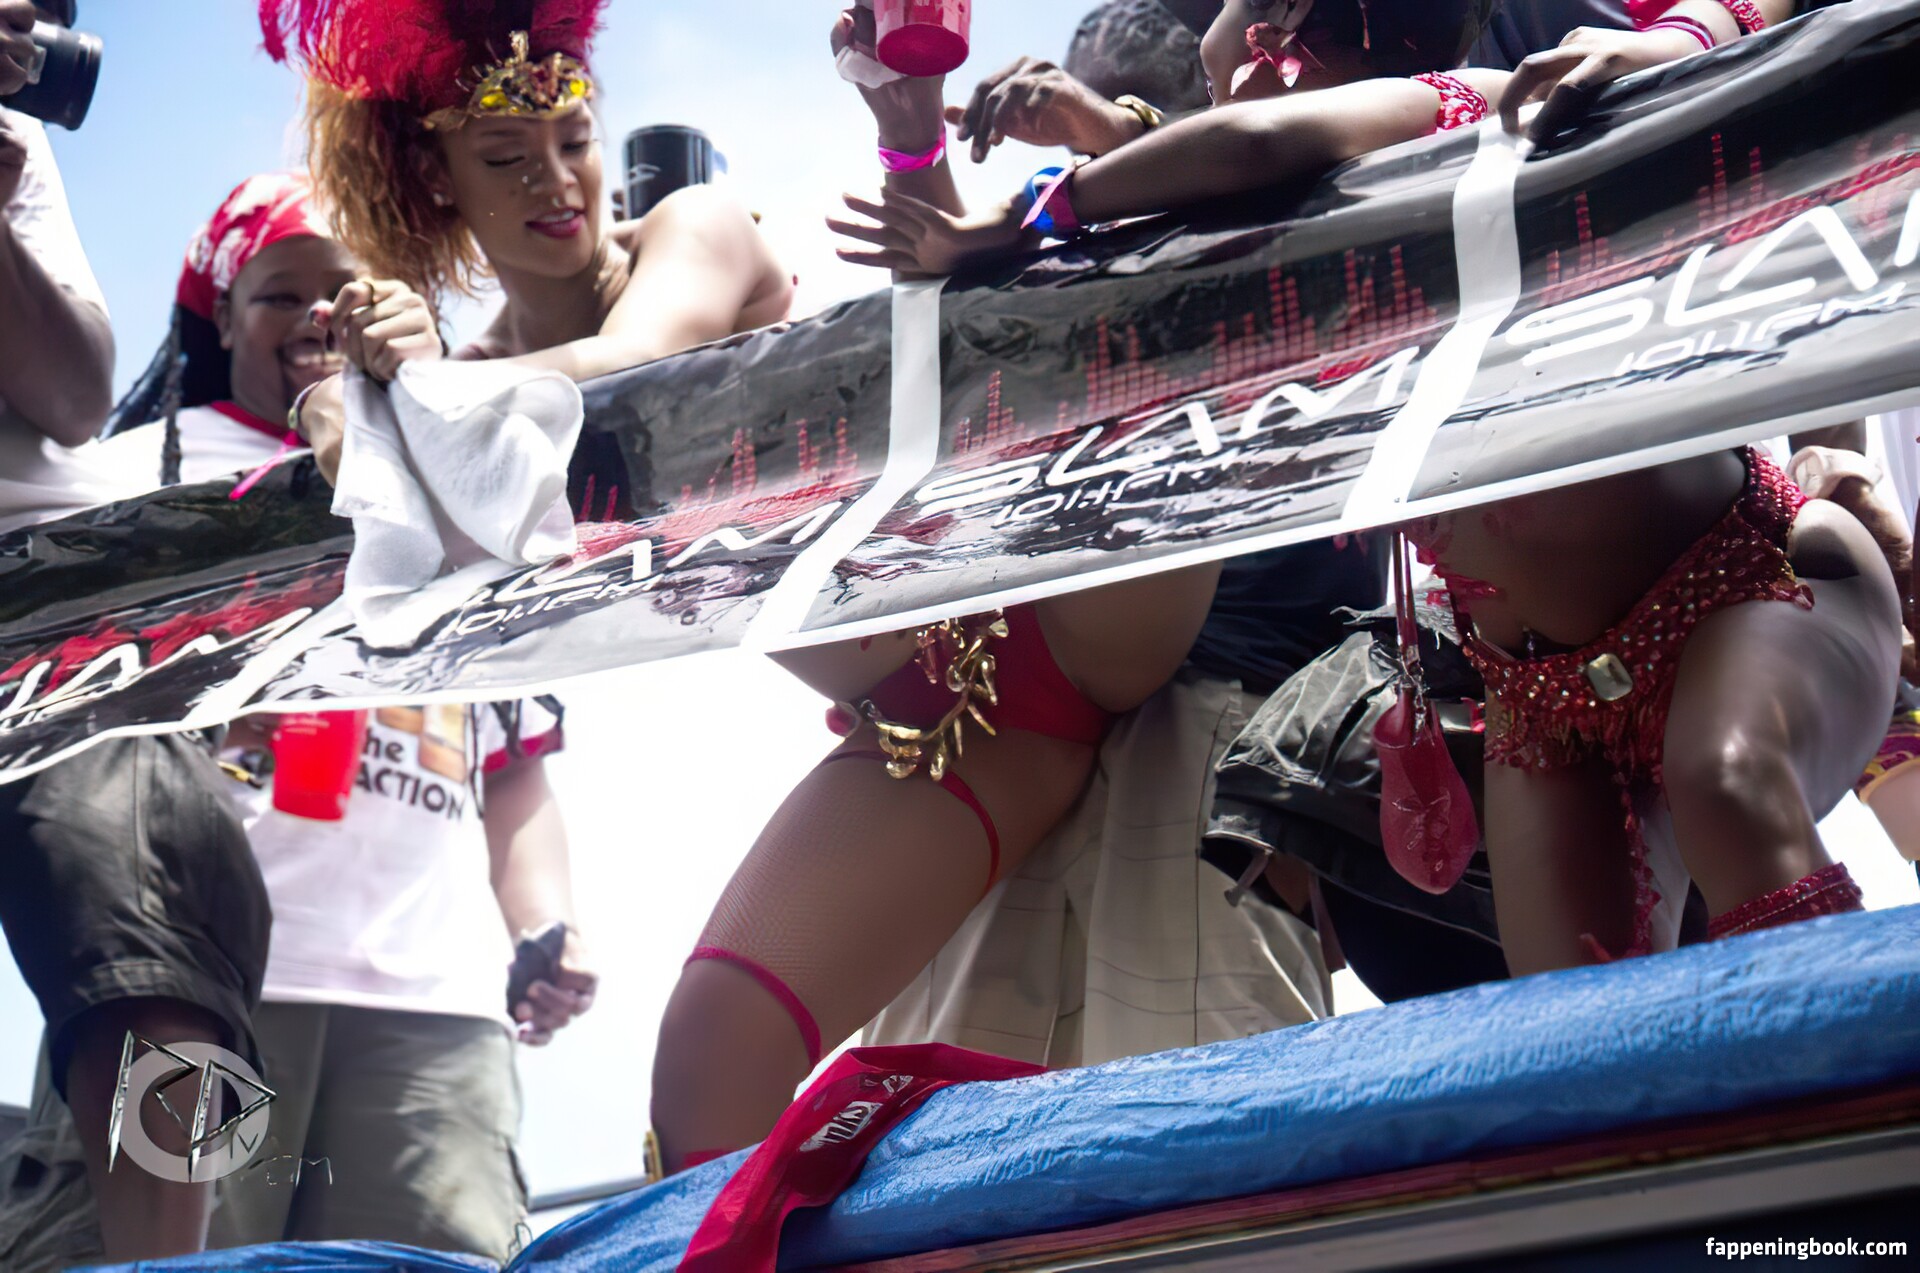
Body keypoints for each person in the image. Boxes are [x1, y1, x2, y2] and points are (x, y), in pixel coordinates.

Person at [835, 0, 1900, 974]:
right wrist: (915, 137)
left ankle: (1864, 1097)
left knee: (1726, 781)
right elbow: (993, 326)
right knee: (1573, 1001)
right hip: (1540, 696)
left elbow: (1259, 143)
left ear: (1279, 37)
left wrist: (1039, 204)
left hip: (1751, 584)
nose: (1202, 75)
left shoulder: (1481, 112)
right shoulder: (1248, 276)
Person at [0, 5, 272, 1268]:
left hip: (35, 603)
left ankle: (167, 1266)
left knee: (161, 890)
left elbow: (68, 394)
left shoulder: (16, 137)